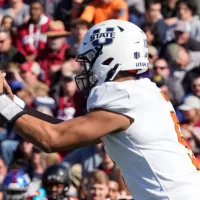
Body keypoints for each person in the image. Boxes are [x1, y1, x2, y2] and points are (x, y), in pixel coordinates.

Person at [0, 19, 200, 200]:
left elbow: (52, 139)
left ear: (109, 58)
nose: (86, 68)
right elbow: (64, 128)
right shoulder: (139, 93)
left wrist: (1, 103)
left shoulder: (124, 97)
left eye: (89, 60)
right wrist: (13, 102)